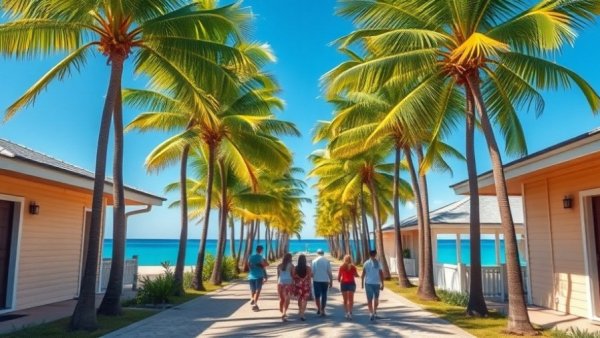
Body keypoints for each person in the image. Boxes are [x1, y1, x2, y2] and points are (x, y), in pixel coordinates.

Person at [362, 249, 384, 321]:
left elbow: (363, 274)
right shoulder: (378, 263)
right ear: (375, 254)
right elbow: (381, 273)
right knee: (376, 298)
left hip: (368, 283)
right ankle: (374, 312)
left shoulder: (366, 263)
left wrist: (362, 283)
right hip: (376, 283)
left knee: (369, 299)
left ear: (369, 254)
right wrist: (382, 283)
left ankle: (371, 313)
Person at [311, 248, 332, 316]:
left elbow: (312, 272)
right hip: (325, 280)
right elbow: (329, 272)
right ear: (323, 253)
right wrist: (331, 281)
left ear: (317, 253)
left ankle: (319, 309)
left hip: (316, 280)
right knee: (324, 295)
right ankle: (323, 310)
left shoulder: (314, 261)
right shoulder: (327, 261)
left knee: (317, 296)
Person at [248, 245, 269, 311]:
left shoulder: (251, 256)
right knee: (258, 290)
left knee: (253, 290)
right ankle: (255, 303)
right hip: (259, 276)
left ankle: (252, 299)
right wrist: (263, 264)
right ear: (261, 250)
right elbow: (266, 264)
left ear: (256, 249)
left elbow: (248, 264)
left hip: (251, 276)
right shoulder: (260, 257)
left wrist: (251, 269)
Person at [338, 254, 359, 320]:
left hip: (344, 283)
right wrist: (356, 274)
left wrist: (340, 280)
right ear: (350, 260)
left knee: (345, 300)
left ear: (344, 259)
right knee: (351, 299)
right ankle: (350, 312)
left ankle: (346, 313)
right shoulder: (353, 267)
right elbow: (356, 275)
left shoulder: (341, 267)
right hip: (351, 283)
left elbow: (339, 277)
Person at [277, 253, 295, 321]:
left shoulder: (279, 266)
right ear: (290, 258)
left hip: (280, 283)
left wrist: (278, 283)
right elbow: (293, 275)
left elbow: (278, 276)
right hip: (288, 283)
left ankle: (281, 312)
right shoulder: (291, 266)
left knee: (281, 299)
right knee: (287, 298)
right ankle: (284, 313)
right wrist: (293, 283)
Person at [294, 254, 312, 321]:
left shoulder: (296, 268)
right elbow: (309, 278)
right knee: (305, 300)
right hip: (305, 285)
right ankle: (302, 313)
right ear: (305, 260)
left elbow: (294, 276)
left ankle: (300, 310)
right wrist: (310, 285)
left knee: (299, 298)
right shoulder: (308, 268)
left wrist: (298, 278)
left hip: (298, 285)